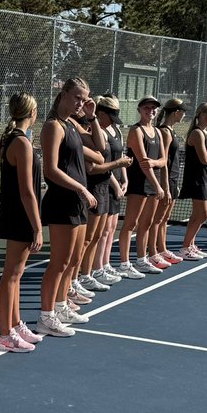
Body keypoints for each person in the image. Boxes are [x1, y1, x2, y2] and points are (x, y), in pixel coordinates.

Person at [36, 78, 98, 338]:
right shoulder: (53, 126)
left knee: (72, 260)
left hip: (77, 201)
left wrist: (92, 117)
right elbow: (50, 170)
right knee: (59, 263)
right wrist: (81, 188)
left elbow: (100, 148)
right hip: (63, 201)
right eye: (76, 98)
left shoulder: (72, 124)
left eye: (84, 100)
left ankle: (61, 307)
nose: (80, 103)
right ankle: (46, 316)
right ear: (63, 95)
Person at [0, 93, 43, 352]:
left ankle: (15, 323)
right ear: (31, 113)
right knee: (11, 274)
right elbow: (27, 191)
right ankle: (4, 333)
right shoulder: (20, 143)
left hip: (17, 212)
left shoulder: (16, 139)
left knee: (16, 274)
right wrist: (36, 226)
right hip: (19, 214)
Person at [74, 98, 131, 298]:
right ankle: (77, 278)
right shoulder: (89, 134)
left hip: (104, 187)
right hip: (94, 188)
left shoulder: (107, 133)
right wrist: (117, 165)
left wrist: (120, 172)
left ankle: (87, 274)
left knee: (96, 237)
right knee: (86, 239)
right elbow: (92, 167)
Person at [117, 96, 169, 279]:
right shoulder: (136, 131)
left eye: (154, 108)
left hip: (153, 184)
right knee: (131, 223)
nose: (151, 111)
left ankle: (141, 259)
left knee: (146, 223)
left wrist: (154, 164)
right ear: (140, 110)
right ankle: (124, 263)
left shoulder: (157, 132)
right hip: (139, 184)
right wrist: (158, 185)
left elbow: (162, 160)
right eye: (147, 108)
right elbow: (141, 162)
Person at [90, 96, 127, 286]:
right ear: (101, 114)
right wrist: (114, 184)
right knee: (101, 231)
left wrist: (124, 180)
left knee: (111, 228)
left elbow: (120, 157)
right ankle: (95, 268)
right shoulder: (99, 133)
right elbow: (103, 163)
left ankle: (104, 264)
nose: (113, 120)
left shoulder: (116, 130)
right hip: (104, 184)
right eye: (110, 115)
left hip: (115, 184)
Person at [148, 98, 186, 266]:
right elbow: (164, 162)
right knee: (157, 219)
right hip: (166, 180)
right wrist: (166, 187)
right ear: (177, 112)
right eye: (183, 112)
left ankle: (162, 249)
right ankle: (153, 253)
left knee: (165, 218)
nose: (184, 115)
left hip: (173, 178)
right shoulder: (165, 131)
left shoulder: (171, 130)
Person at [178, 102, 207, 258]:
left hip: (206, 177)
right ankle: (185, 247)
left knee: (201, 214)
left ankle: (191, 244)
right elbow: (204, 159)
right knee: (201, 214)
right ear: (201, 114)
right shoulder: (197, 133)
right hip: (196, 178)